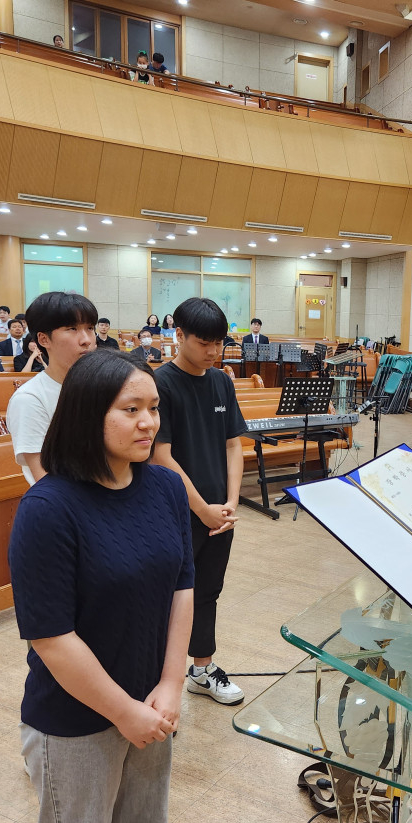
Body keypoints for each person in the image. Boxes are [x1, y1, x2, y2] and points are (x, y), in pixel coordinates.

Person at [8, 350, 193, 823]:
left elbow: (182, 586)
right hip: (76, 719)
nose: (148, 422)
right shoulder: (47, 508)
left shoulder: (167, 488)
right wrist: (124, 712)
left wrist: (171, 684)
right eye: (131, 410)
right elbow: (51, 636)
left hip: (152, 704)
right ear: (88, 414)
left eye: (153, 408)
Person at [152, 297, 246, 705]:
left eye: (219, 343)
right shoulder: (160, 383)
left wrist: (230, 501)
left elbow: (233, 445)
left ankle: (202, 670)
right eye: (204, 342)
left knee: (208, 591)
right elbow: (161, 455)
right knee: (168, 596)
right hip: (175, 512)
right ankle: (157, 681)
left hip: (219, 513)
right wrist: (201, 508)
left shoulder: (221, 382)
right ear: (179, 335)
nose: (213, 351)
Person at [7, 292, 97, 485]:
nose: (86, 340)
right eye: (72, 329)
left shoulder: (102, 387)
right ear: (43, 339)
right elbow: (46, 481)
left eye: (90, 328)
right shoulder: (30, 399)